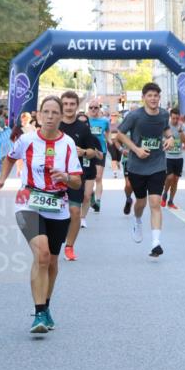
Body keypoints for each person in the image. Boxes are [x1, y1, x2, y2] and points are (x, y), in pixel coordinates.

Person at [0, 96, 82, 334]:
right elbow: (9, 158)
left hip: (58, 206)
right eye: (46, 112)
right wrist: (1, 180)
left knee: (52, 261)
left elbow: (76, 182)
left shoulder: (69, 144)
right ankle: (39, 312)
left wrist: (65, 177)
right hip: (28, 202)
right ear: (39, 115)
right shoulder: (27, 140)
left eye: (55, 113)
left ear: (62, 117)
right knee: (41, 254)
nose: (50, 117)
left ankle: (47, 306)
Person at [114, 82, 174, 257]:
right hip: (137, 166)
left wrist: (170, 138)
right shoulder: (134, 116)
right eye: (150, 95)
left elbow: (166, 128)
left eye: (156, 95)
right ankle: (138, 220)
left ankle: (156, 243)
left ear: (159, 98)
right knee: (141, 202)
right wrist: (136, 149)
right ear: (144, 98)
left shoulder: (163, 114)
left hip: (157, 164)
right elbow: (120, 134)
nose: (153, 98)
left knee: (155, 202)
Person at [58, 91, 103, 260]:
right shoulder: (53, 124)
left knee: (75, 212)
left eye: (72, 104)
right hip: (53, 176)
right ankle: (53, 240)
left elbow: (93, 152)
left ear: (77, 106)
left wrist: (83, 151)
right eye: (66, 104)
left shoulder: (83, 128)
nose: (68, 107)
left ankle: (69, 247)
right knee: (54, 213)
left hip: (75, 176)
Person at [162, 108, 185, 209]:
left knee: (176, 180)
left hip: (179, 156)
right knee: (169, 177)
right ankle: (164, 193)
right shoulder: (166, 126)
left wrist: (180, 132)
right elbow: (161, 138)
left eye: (177, 118)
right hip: (168, 156)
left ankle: (171, 201)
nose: (175, 120)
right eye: (173, 118)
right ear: (170, 117)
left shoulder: (182, 126)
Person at [87, 101, 110, 212]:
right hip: (88, 150)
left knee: (98, 177)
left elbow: (108, 131)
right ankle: (90, 194)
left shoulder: (105, 121)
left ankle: (98, 201)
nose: (93, 109)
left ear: (99, 108)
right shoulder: (85, 120)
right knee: (87, 177)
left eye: (95, 107)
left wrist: (108, 139)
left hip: (101, 150)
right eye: (91, 107)